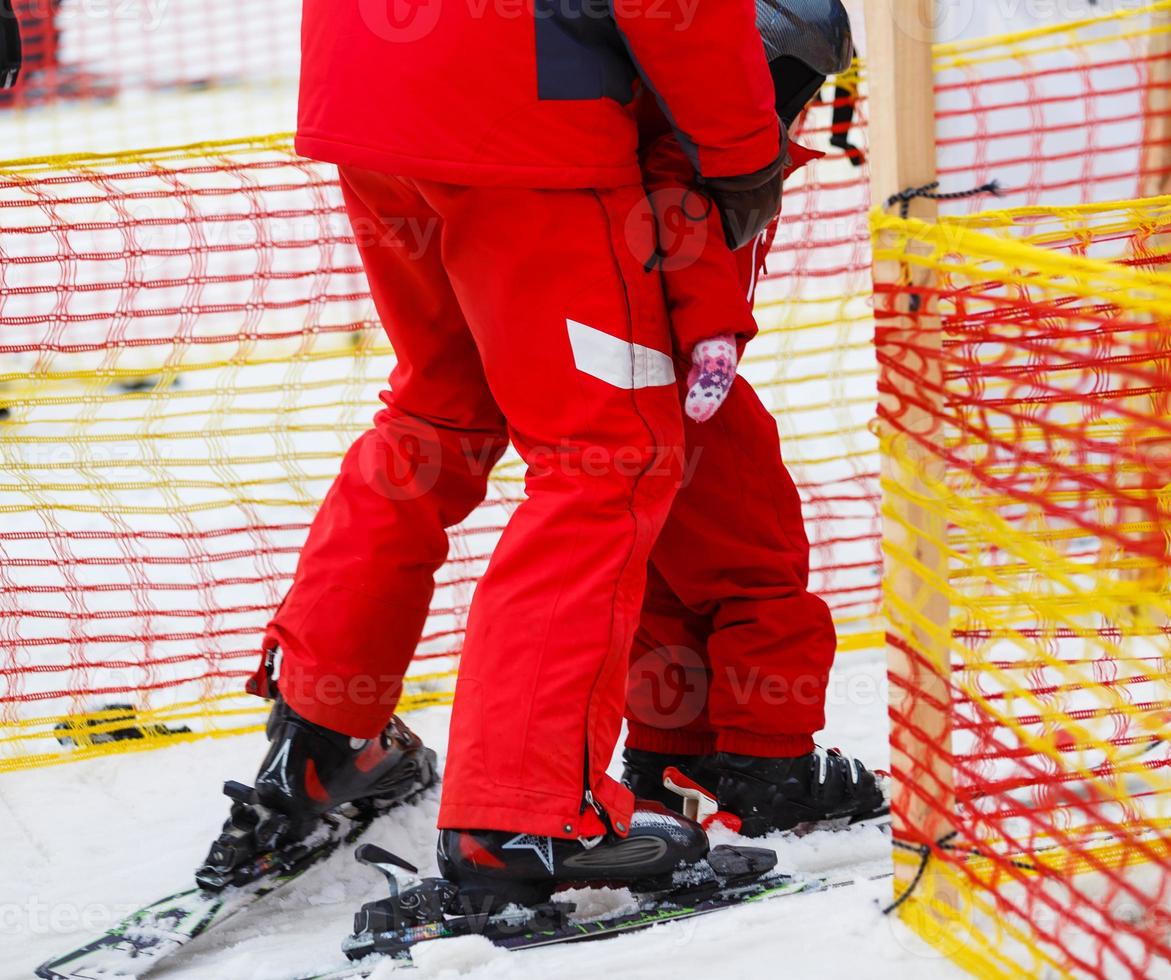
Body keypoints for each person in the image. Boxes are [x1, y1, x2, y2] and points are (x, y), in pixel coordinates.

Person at [207, 1, 793, 911]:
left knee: (439, 413)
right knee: (608, 459)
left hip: (370, 89)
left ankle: (323, 737)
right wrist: (746, 150)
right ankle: (523, 818)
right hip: (528, 109)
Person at [619, 0, 886, 837]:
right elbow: (679, 212)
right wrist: (709, 336)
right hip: (691, 394)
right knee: (759, 576)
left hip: (622, 391)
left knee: (670, 586)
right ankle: (769, 768)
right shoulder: (690, 151)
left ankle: (671, 753)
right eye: (793, 79)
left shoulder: (651, 130)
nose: (793, 99)